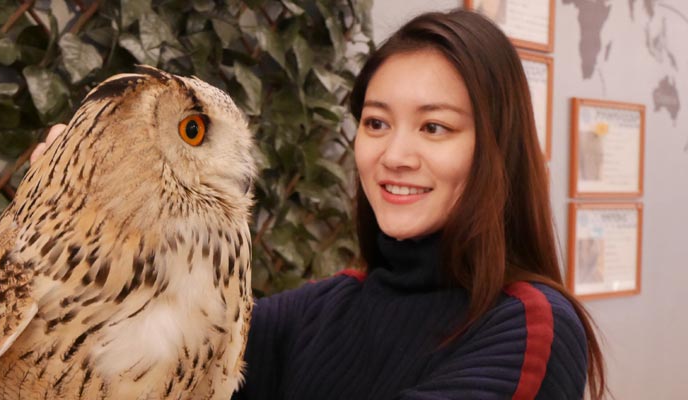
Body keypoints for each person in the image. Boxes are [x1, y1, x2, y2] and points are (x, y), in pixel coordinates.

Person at [34, 9, 606, 399]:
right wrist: (87, 216)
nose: (394, 154)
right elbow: (153, 363)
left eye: (434, 127)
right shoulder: (326, 307)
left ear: (496, 150)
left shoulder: (531, 325)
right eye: (377, 122)